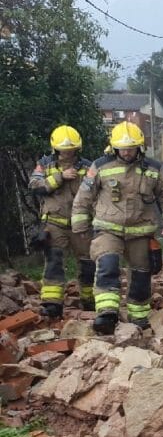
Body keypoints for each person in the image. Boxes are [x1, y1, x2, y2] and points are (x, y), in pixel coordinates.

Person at [71, 122, 163, 334]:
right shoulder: (100, 166)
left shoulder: (153, 169)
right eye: (122, 148)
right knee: (107, 265)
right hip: (108, 230)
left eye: (131, 147)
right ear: (113, 147)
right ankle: (106, 313)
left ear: (140, 147)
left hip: (140, 232)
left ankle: (138, 317)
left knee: (141, 274)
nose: (126, 152)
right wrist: (80, 224)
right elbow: (84, 196)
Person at [28, 126, 95, 317]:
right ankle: (52, 304)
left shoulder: (87, 167)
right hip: (54, 223)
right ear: (55, 148)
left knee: (88, 263)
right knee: (54, 262)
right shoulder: (44, 164)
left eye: (71, 149)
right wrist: (59, 177)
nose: (67, 153)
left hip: (81, 224)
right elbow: (34, 185)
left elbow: (97, 191)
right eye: (64, 149)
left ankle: (89, 300)